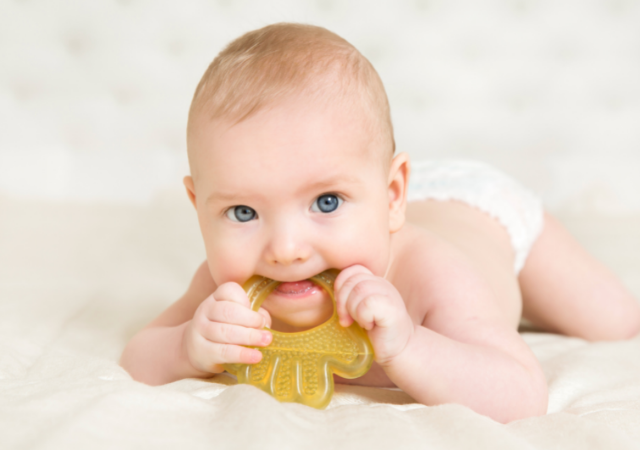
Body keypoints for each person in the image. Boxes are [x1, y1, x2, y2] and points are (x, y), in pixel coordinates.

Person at [119, 23, 640, 423]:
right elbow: (138, 355)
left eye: (325, 203)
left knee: (611, 320)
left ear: (393, 196)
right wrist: (187, 346)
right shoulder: (223, 289)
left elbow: (522, 393)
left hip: (483, 213)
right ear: (198, 205)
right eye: (243, 213)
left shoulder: (432, 274)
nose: (286, 248)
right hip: (391, 190)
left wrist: (410, 345)